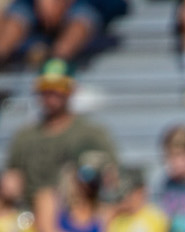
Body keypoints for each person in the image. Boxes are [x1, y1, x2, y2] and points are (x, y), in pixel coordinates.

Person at [6, 61, 117, 219]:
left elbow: (112, 177)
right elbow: (12, 180)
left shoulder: (92, 133)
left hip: (79, 217)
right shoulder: (24, 136)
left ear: (71, 90)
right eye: (46, 88)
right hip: (33, 217)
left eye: (59, 87)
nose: (52, 93)